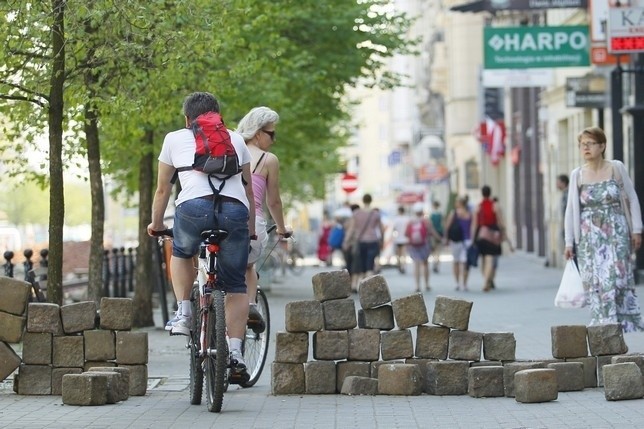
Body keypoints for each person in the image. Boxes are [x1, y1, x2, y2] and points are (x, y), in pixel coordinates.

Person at [147, 92, 255, 376]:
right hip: (234, 212)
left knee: (182, 252)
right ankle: (235, 353)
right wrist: (251, 230)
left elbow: (162, 190)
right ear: (218, 116)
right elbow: (247, 190)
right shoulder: (237, 139)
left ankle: (184, 312)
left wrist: (156, 224)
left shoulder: (173, 138)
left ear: (187, 119)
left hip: (192, 209)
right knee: (236, 285)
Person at [564, 126, 643, 332]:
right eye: (582, 144)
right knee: (597, 284)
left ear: (602, 146)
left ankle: (615, 325)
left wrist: (637, 229)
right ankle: (603, 328)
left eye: (590, 144)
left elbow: (632, 198)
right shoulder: (577, 175)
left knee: (616, 279)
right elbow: (571, 210)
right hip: (589, 239)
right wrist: (568, 242)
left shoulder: (616, 168)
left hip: (616, 235)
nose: (585, 148)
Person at [235, 106, 290, 333]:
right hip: (252, 221)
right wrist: (281, 228)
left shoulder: (231, 151)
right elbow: (273, 202)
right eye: (271, 134)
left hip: (222, 219)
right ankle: (250, 306)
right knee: (248, 266)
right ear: (258, 132)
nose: (274, 140)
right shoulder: (268, 160)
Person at [343, 194, 384, 292]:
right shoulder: (376, 214)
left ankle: (361, 286)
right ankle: (369, 289)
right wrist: (382, 240)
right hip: (373, 241)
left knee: (361, 265)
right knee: (370, 265)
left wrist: (346, 241)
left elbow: (352, 229)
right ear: (371, 200)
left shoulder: (356, 213)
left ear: (363, 200)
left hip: (361, 242)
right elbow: (381, 229)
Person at [471, 185, 505, 292]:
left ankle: (486, 280)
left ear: (482, 193)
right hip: (493, 235)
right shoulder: (495, 205)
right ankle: (487, 281)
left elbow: (475, 224)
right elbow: (500, 222)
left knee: (483, 259)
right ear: (490, 193)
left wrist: (473, 238)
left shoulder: (478, 206)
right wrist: (503, 234)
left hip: (481, 234)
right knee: (490, 259)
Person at [405, 202, 441, 292]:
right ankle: (427, 284)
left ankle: (417, 286)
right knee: (425, 264)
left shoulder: (411, 221)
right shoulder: (426, 221)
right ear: (422, 211)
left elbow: (406, 233)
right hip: (424, 245)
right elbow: (432, 231)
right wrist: (439, 238)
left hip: (413, 246)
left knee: (416, 265)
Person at [444, 196, 472, 291]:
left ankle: (457, 283)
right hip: (467, 240)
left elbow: (447, 226)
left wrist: (446, 238)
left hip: (456, 240)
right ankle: (464, 283)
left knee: (456, 262)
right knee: (465, 263)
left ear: (460, 203)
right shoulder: (469, 213)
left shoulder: (454, 213)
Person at [391, 205, 410, 273]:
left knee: (398, 254)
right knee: (404, 254)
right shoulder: (407, 219)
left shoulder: (396, 219)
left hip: (398, 238)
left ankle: (399, 265)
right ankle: (403, 266)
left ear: (399, 211)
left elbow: (393, 229)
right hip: (405, 238)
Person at [429, 200, 444, 273]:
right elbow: (442, 224)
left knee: (433, 250)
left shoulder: (431, 215)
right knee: (438, 250)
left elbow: (430, 225)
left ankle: (434, 263)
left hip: (433, 234)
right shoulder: (440, 214)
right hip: (440, 233)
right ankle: (437, 264)